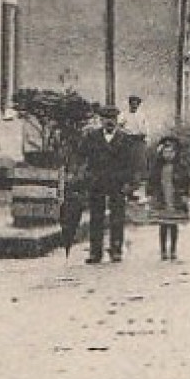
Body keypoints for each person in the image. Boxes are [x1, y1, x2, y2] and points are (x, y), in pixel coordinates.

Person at [76, 105, 137, 264]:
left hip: (117, 182)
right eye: (106, 119)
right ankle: (95, 253)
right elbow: (82, 155)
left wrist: (129, 183)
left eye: (112, 119)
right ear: (101, 120)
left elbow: (131, 163)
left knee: (117, 217)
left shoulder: (125, 139)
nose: (109, 122)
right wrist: (85, 176)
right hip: (97, 181)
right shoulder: (92, 136)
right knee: (96, 217)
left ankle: (116, 250)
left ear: (117, 120)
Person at [146, 135, 190, 261]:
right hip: (162, 198)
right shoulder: (157, 168)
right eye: (165, 152)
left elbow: (187, 181)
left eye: (171, 152)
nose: (168, 155)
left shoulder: (181, 167)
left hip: (175, 198)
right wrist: (150, 194)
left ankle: (173, 249)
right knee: (163, 225)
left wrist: (185, 195)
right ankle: (163, 250)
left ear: (176, 153)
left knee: (173, 225)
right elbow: (151, 181)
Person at [120, 94, 154, 194]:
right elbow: (119, 127)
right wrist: (127, 133)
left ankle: (137, 188)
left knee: (140, 164)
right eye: (132, 104)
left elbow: (146, 129)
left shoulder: (142, 115)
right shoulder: (124, 115)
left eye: (136, 104)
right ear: (129, 104)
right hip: (129, 141)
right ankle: (128, 189)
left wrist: (145, 138)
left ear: (138, 105)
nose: (134, 106)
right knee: (129, 164)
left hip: (139, 142)